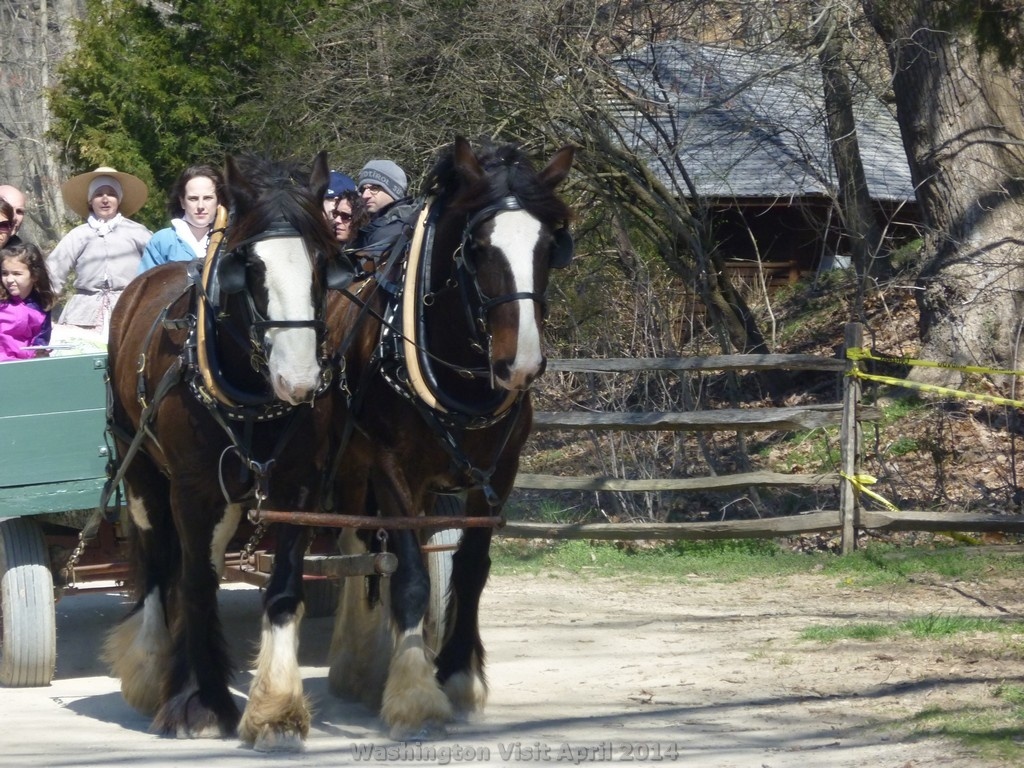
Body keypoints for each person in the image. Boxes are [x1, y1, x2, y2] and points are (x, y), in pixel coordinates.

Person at [46, 166, 151, 333]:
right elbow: (54, 270)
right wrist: (41, 304)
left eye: (111, 194)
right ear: (90, 200)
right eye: (98, 194)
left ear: (119, 199)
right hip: (84, 312)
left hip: (129, 307)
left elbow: (157, 265)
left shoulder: (137, 232)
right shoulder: (78, 235)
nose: (105, 199)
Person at [138, 165, 224, 273]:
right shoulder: (162, 241)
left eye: (207, 198)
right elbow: (146, 282)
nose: (200, 206)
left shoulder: (229, 240)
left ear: (218, 201)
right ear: (182, 202)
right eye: (193, 199)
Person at [351, 159, 418, 269]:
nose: (365, 195)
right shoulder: (367, 225)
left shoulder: (400, 228)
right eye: (363, 189)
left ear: (394, 190)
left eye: (374, 188)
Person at [0, 242, 56, 361]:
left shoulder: (41, 305)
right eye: (4, 273)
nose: (9, 279)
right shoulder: (2, 303)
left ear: (34, 275)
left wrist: (41, 351)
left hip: (24, 366)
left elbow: (41, 339)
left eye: (17, 274)